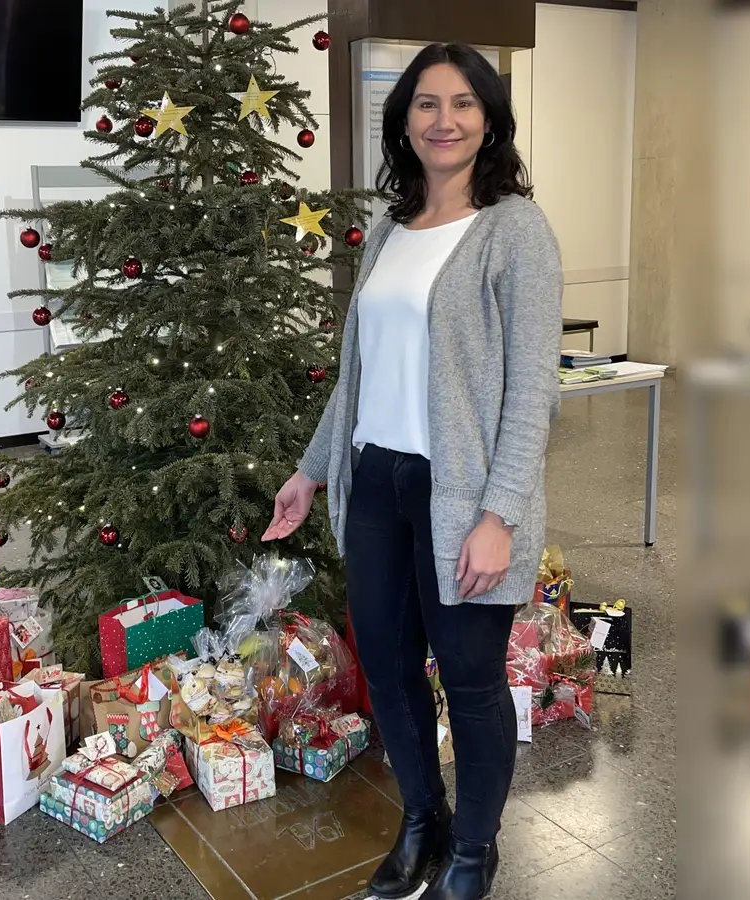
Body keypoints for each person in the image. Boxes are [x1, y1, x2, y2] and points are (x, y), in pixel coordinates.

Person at [262, 42, 562, 900]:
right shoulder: (391, 229)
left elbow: (532, 390)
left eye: (464, 103)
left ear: (490, 120)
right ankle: (423, 821)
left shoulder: (515, 230)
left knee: (470, 681)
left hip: (461, 494)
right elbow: (358, 372)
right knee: (390, 674)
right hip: (375, 485)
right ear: (404, 122)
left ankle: (473, 849)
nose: (445, 120)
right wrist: (311, 470)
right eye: (427, 103)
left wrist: (499, 515)